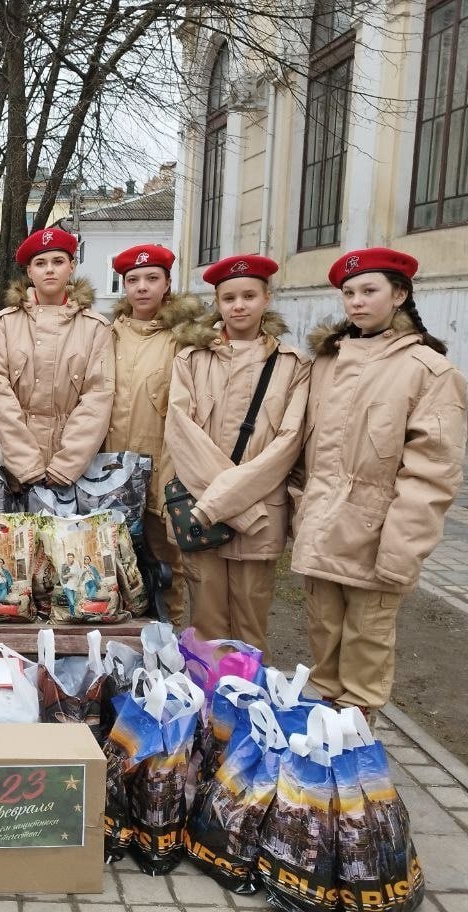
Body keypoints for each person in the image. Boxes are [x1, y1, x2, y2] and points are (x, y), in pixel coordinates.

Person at [292, 247, 465, 719]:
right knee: (323, 642)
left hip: (375, 536)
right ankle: (322, 740)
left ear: (400, 294)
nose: (356, 302)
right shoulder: (326, 362)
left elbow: (432, 474)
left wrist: (402, 549)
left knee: (365, 653)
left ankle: (356, 740)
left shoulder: (429, 371)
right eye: (349, 292)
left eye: (369, 291)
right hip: (321, 527)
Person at [166, 254, 310, 651]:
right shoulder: (191, 359)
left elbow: (288, 443)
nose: (239, 306)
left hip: (261, 513)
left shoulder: (292, 365)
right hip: (204, 509)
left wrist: (226, 501)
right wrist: (226, 504)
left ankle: (245, 689)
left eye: (249, 296)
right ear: (217, 302)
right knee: (206, 624)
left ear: (267, 298)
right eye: (229, 298)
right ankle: (207, 691)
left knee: (250, 623)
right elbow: (182, 433)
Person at [105, 244, 204, 624]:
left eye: (152, 278)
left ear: (167, 284)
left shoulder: (184, 338)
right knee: (112, 561)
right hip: (111, 470)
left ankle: (168, 638)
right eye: (133, 280)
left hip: (163, 469)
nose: (142, 287)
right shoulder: (109, 334)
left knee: (167, 565)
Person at [0, 227, 114, 489]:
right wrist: (26, 464)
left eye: (58, 262)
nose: (49, 270)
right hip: (13, 469)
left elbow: (97, 398)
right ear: (29, 272)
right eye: (40, 263)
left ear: (72, 266)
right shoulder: (4, 324)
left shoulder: (95, 327)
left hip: (72, 473)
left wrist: (66, 465)